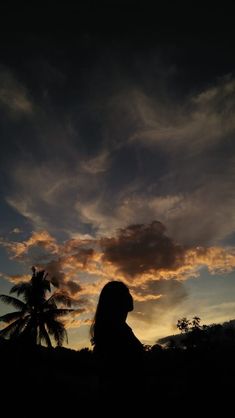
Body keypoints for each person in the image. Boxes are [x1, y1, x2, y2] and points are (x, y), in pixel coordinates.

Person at [90, 280, 145, 403]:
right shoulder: (115, 332)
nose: (130, 296)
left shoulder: (117, 328)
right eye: (126, 293)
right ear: (117, 300)